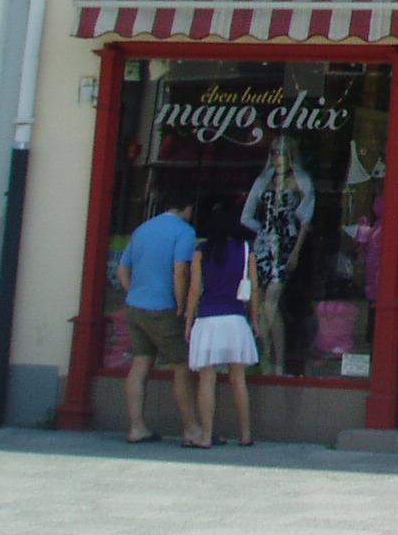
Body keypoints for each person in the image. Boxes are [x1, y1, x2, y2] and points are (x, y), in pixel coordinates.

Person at [115, 191, 199, 443]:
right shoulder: (184, 232)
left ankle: (137, 427)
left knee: (140, 364)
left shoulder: (142, 229)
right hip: (164, 308)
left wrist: (134, 293)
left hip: (136, 306)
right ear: (188, 208)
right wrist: (182, 307)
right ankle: (192, 430)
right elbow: (180, 271)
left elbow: (122, 269)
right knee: (182, 366)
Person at [184, 195, 261, 447]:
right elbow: (254, 289)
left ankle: (206, 436)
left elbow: (195, 289)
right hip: (236, 320)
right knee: (238, 379)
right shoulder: (246, 250)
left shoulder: (202, 251)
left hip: (208, 319)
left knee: (207, 379)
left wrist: (188, 321)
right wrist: (255, 320)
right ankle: (246, 434)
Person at [240, 135, 314, 373]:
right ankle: (270, 360)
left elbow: (306, 221)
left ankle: (273, 360)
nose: (276, 156)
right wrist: (264, 231)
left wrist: (295, 251)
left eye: (281, 152)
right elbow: (246, 216)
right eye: (273, 151)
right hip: (264, 245)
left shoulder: (301, 180)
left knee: (270, 302)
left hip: (286, 245)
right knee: (263, 304)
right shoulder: (264, 180)